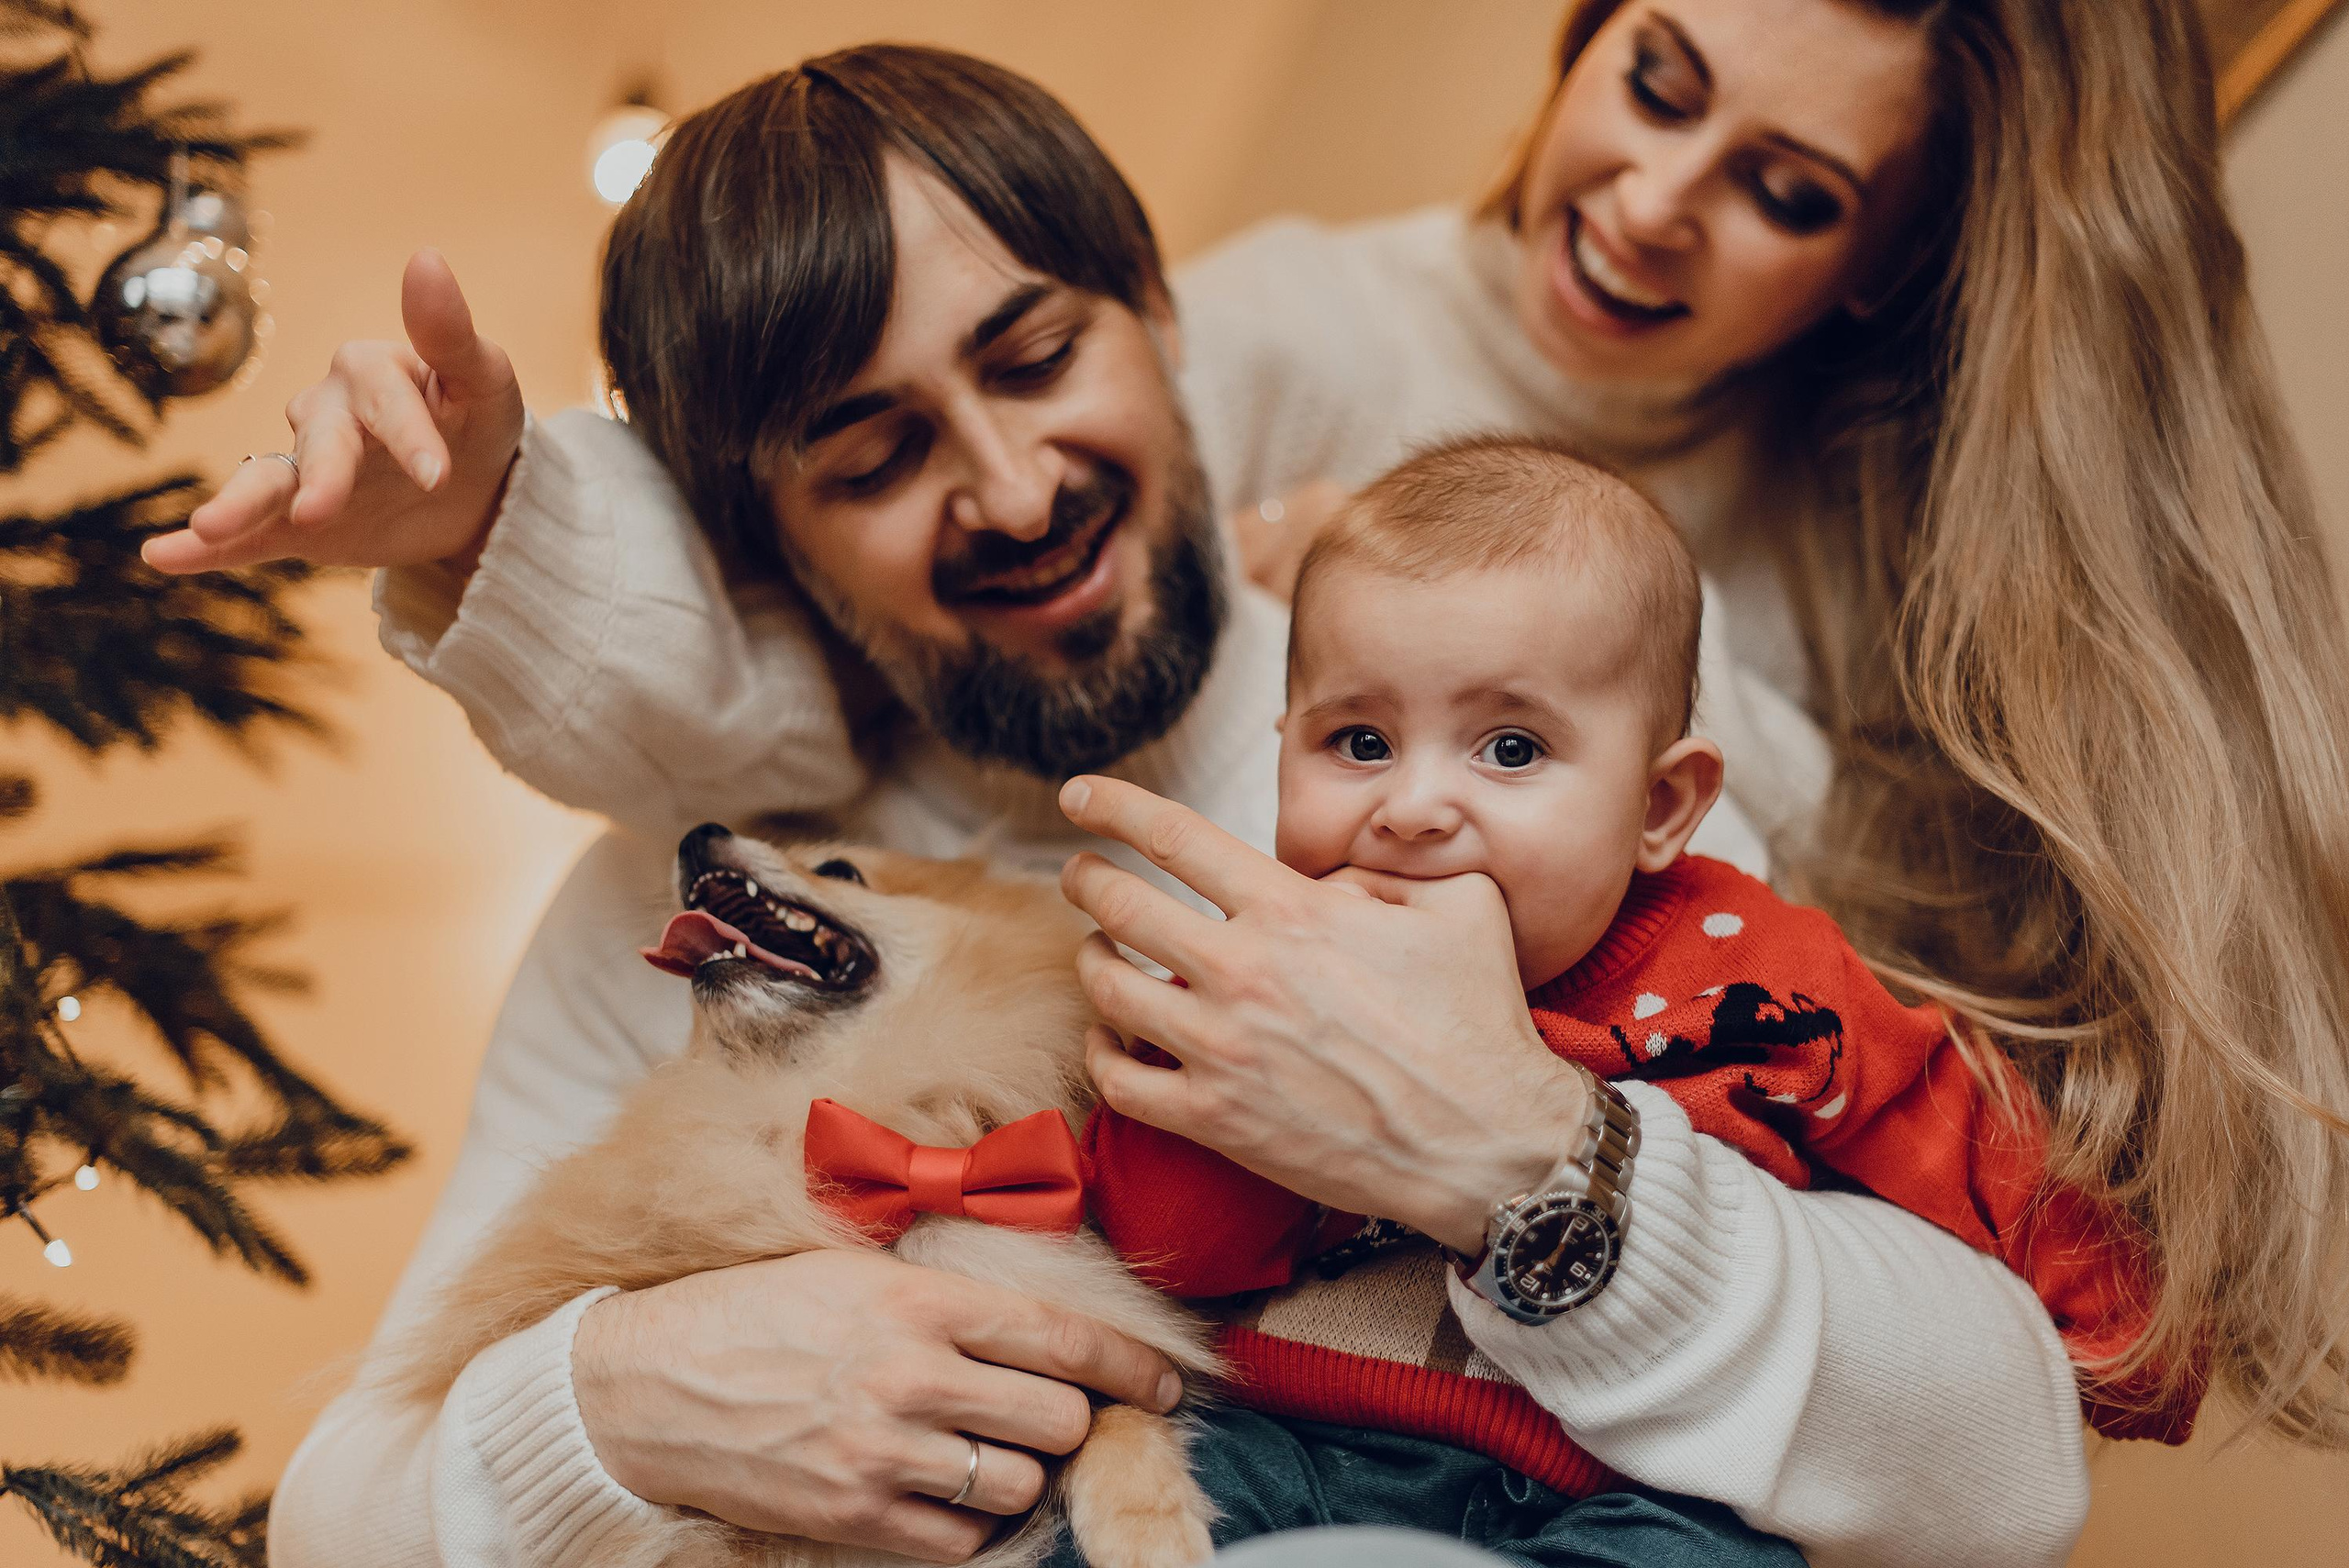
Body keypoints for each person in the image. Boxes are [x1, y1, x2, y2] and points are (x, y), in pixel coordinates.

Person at [147, 0, 2348, 1557]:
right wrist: (612, 1408)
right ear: (762, 539)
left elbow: (2000, 1475)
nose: (1006, 484)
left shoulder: (1472, 784)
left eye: (1034, 357)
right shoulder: (707, 915)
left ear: (1165, 320)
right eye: (876, 449)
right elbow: (341, 1506)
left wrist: (1534, 1168)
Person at [1071, 436, 2182, 1565]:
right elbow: (1173, 1255)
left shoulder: (1749, 964)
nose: (1410, 805)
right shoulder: (1254, 970)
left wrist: (2119, 1326)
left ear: (1660, 804)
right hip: (1294, 1439)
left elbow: (1935, 1114)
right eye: (1358, 740)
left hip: (1636, 1481)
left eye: (1509, 748)